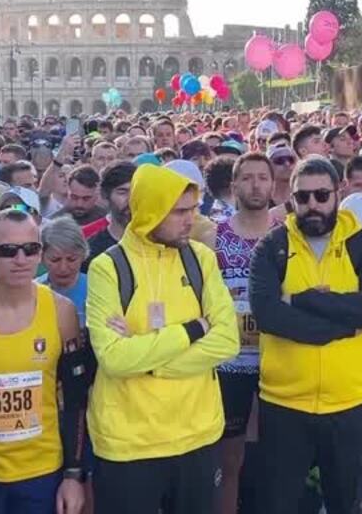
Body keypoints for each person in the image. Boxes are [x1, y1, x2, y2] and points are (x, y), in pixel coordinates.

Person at [86, 163, 238, 514]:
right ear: (151, 209)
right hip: (128, 445)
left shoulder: (201, 259)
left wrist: (149, 363)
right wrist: (192, 330)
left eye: (194, 210)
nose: (191, 220)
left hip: (197, 436)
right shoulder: (108, 267)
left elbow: (228, 342)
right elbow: (113, 359)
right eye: (180, 211)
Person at [249, 156, 362, 514]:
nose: (312, 205)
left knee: (344, 503)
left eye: (321, 195)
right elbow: (269, 316)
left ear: (338, 193)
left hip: (349, 403)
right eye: (303, 197)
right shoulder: (271, 247)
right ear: (291, 199)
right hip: (285, 405)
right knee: (278, 504)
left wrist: (301, 300)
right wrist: (344, 326)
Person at [0, 209, 88, 514]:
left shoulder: (62, 312)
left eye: (31, 249)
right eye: (8, 251)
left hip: (44, 473)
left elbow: (75, 399)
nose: (21, 259)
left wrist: (74, 474)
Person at [214, 152, 275, 514]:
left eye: (262, 177)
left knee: (276, 457)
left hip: (279, 363)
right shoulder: (213, 235)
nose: (255, 185)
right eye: (247, 178)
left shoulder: (287, 235)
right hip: (228, 366)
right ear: (234, 185)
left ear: (272, 183)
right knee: (228, 459)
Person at [85, 161, 135, 265]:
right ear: (105, 195)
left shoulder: (156, 244)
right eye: (122, 192)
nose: (130, 199)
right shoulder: (91, 250)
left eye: (135, 191)